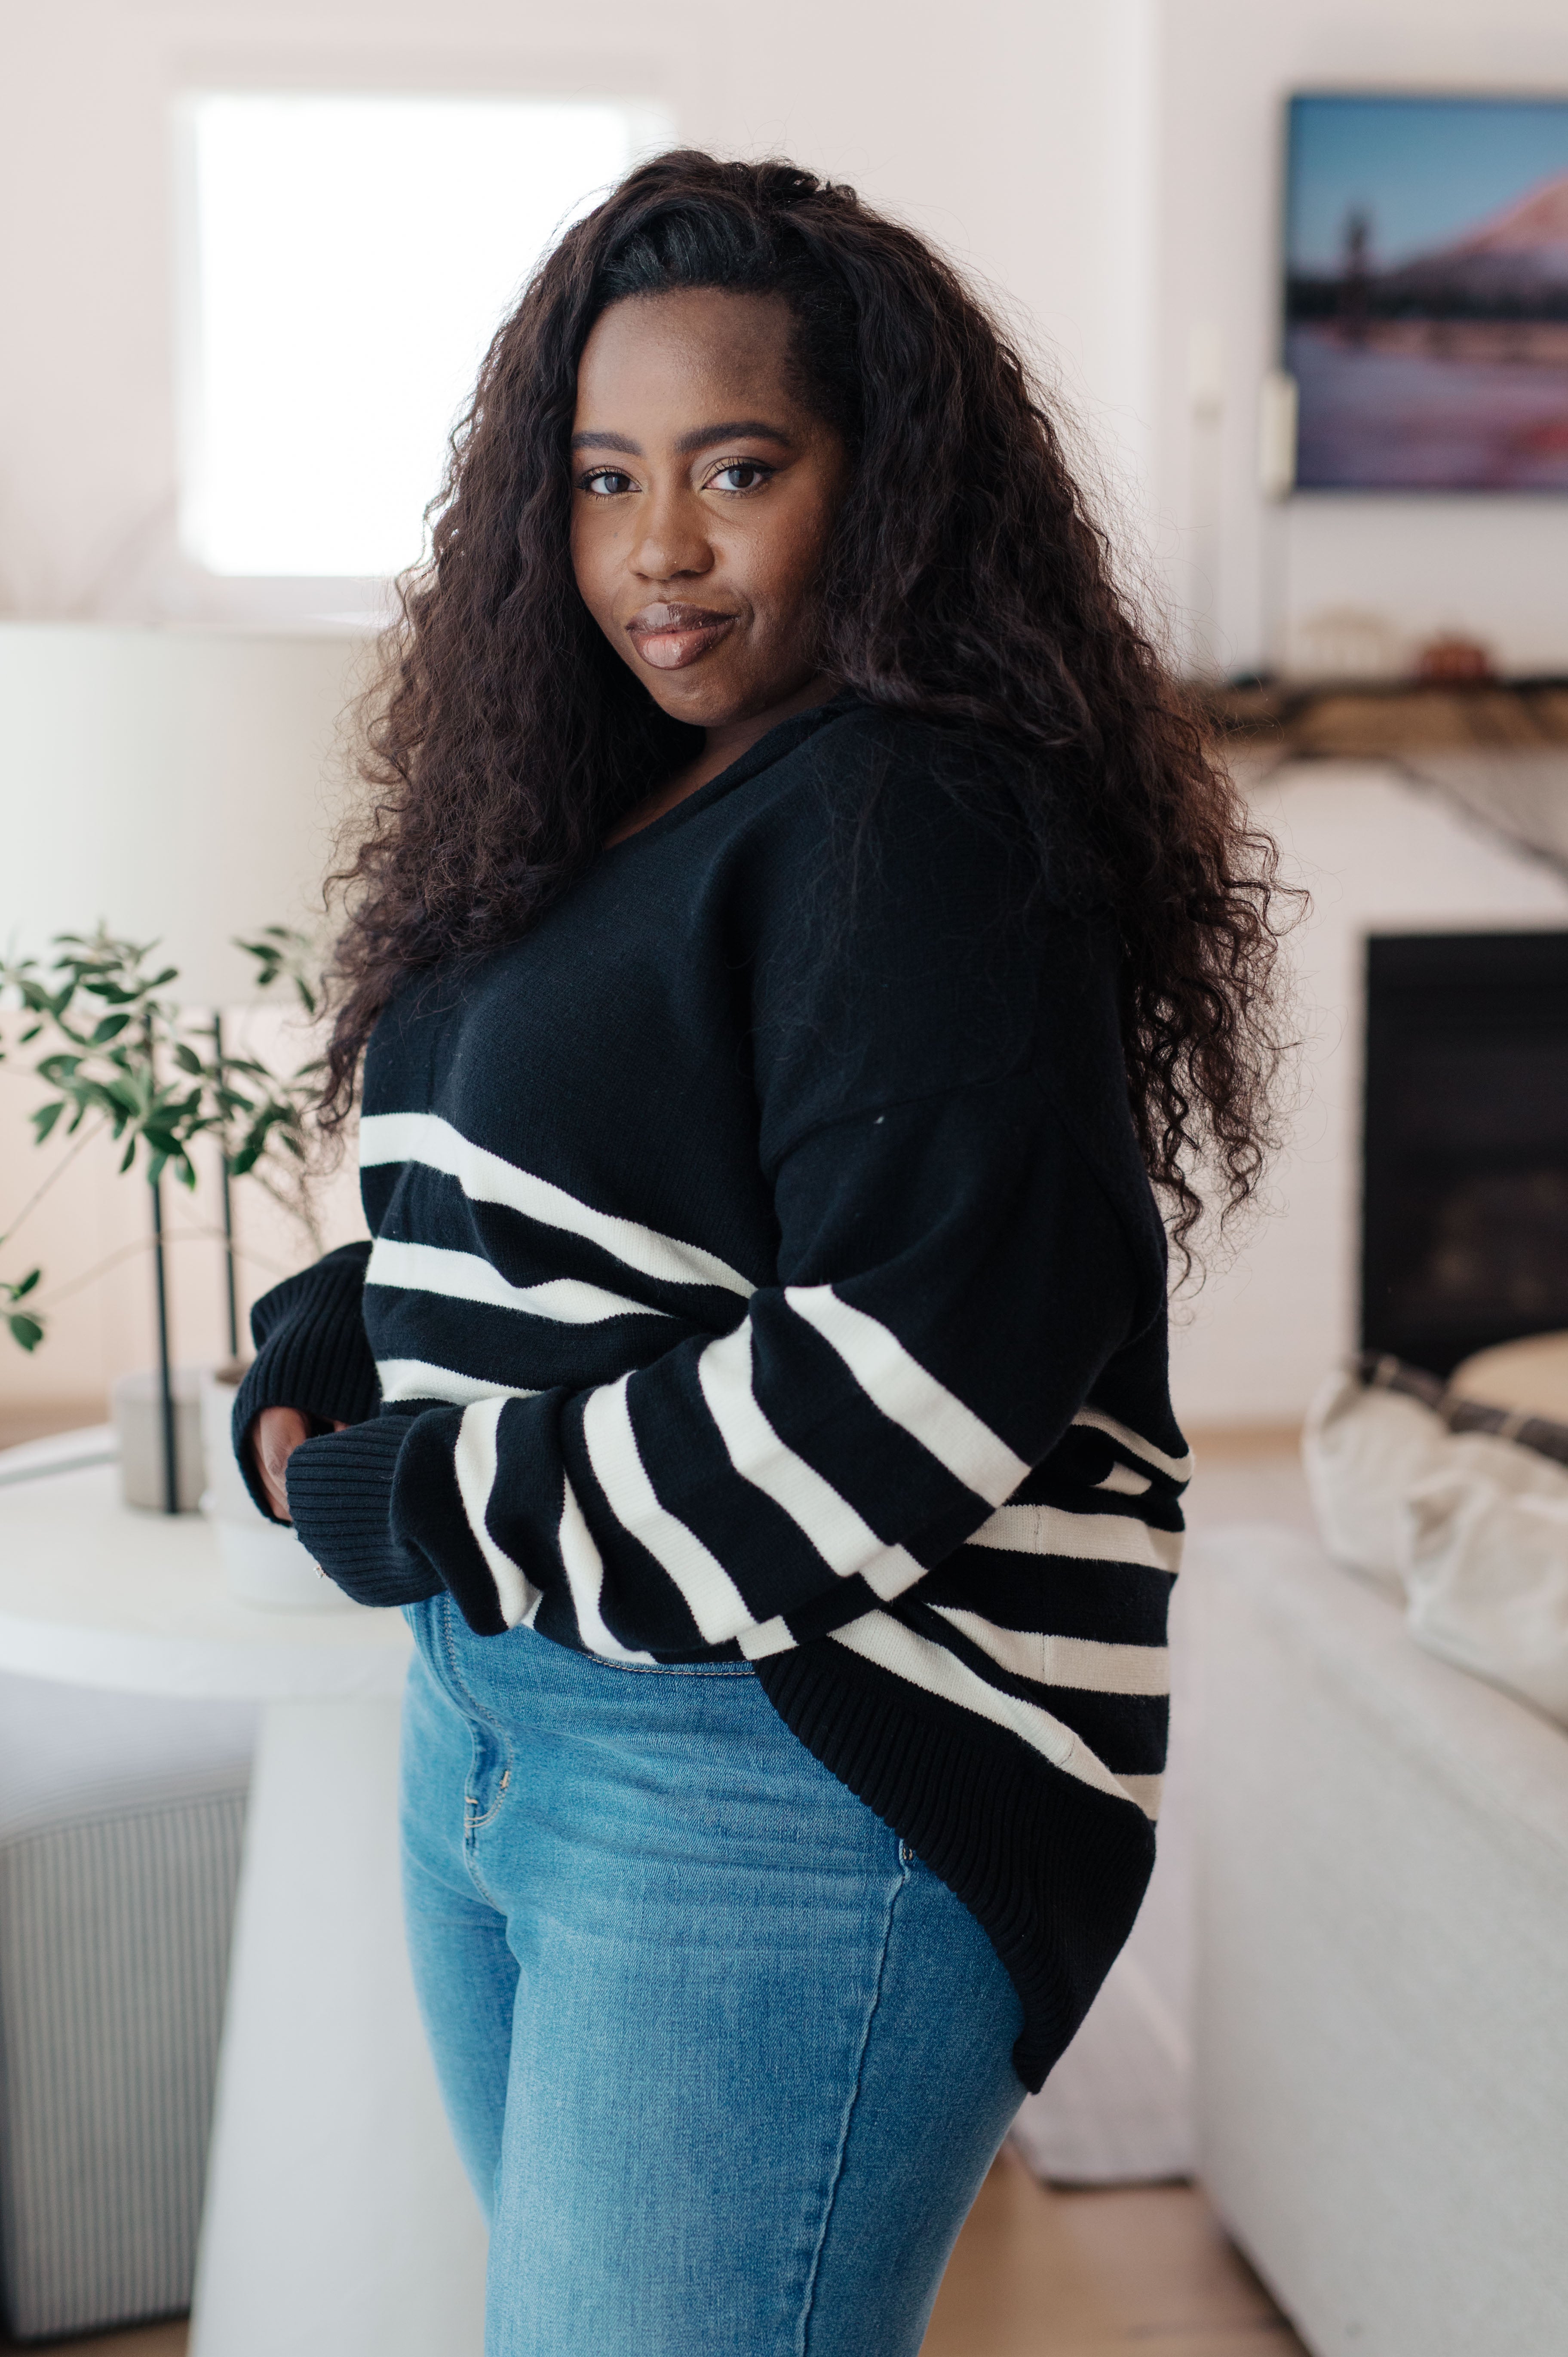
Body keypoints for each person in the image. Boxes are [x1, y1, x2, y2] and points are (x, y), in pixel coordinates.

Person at [234, 152, 1286, 2357]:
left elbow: (915, 1369)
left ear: (881, 484)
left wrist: (437, 1494)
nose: (660, 549)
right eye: (604, 479)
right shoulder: (617, 787)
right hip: (517, 1702)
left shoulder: (918, 817)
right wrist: (346, 1335)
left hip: (794, 1762)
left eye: (737, 470)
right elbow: (577, 1191)